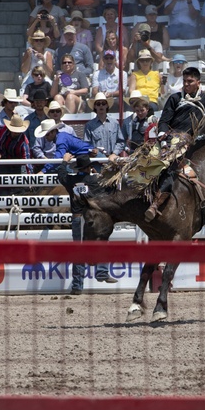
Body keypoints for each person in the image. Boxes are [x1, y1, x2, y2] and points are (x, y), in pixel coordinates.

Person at [58, 155, 118, 295]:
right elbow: (112, 179)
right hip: (94, 218)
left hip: (78, 218)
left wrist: (64, 161)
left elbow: (61, 175)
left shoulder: (71, 180)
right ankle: (102, 272)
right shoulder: (95, 180)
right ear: (89, 168)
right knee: (101, 241)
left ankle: (77, 286)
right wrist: (111, 162)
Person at [84, 92, 126, 157]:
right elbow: (86, 144)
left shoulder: (115, 123)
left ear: (107, 105)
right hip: (97, 159)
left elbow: (121, 142)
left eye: (103, 103)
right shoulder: (89, 125)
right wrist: (92, 151)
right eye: (98, 104)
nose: (101, 106)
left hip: (112, 159)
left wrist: (114, 153)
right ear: (95, 106)